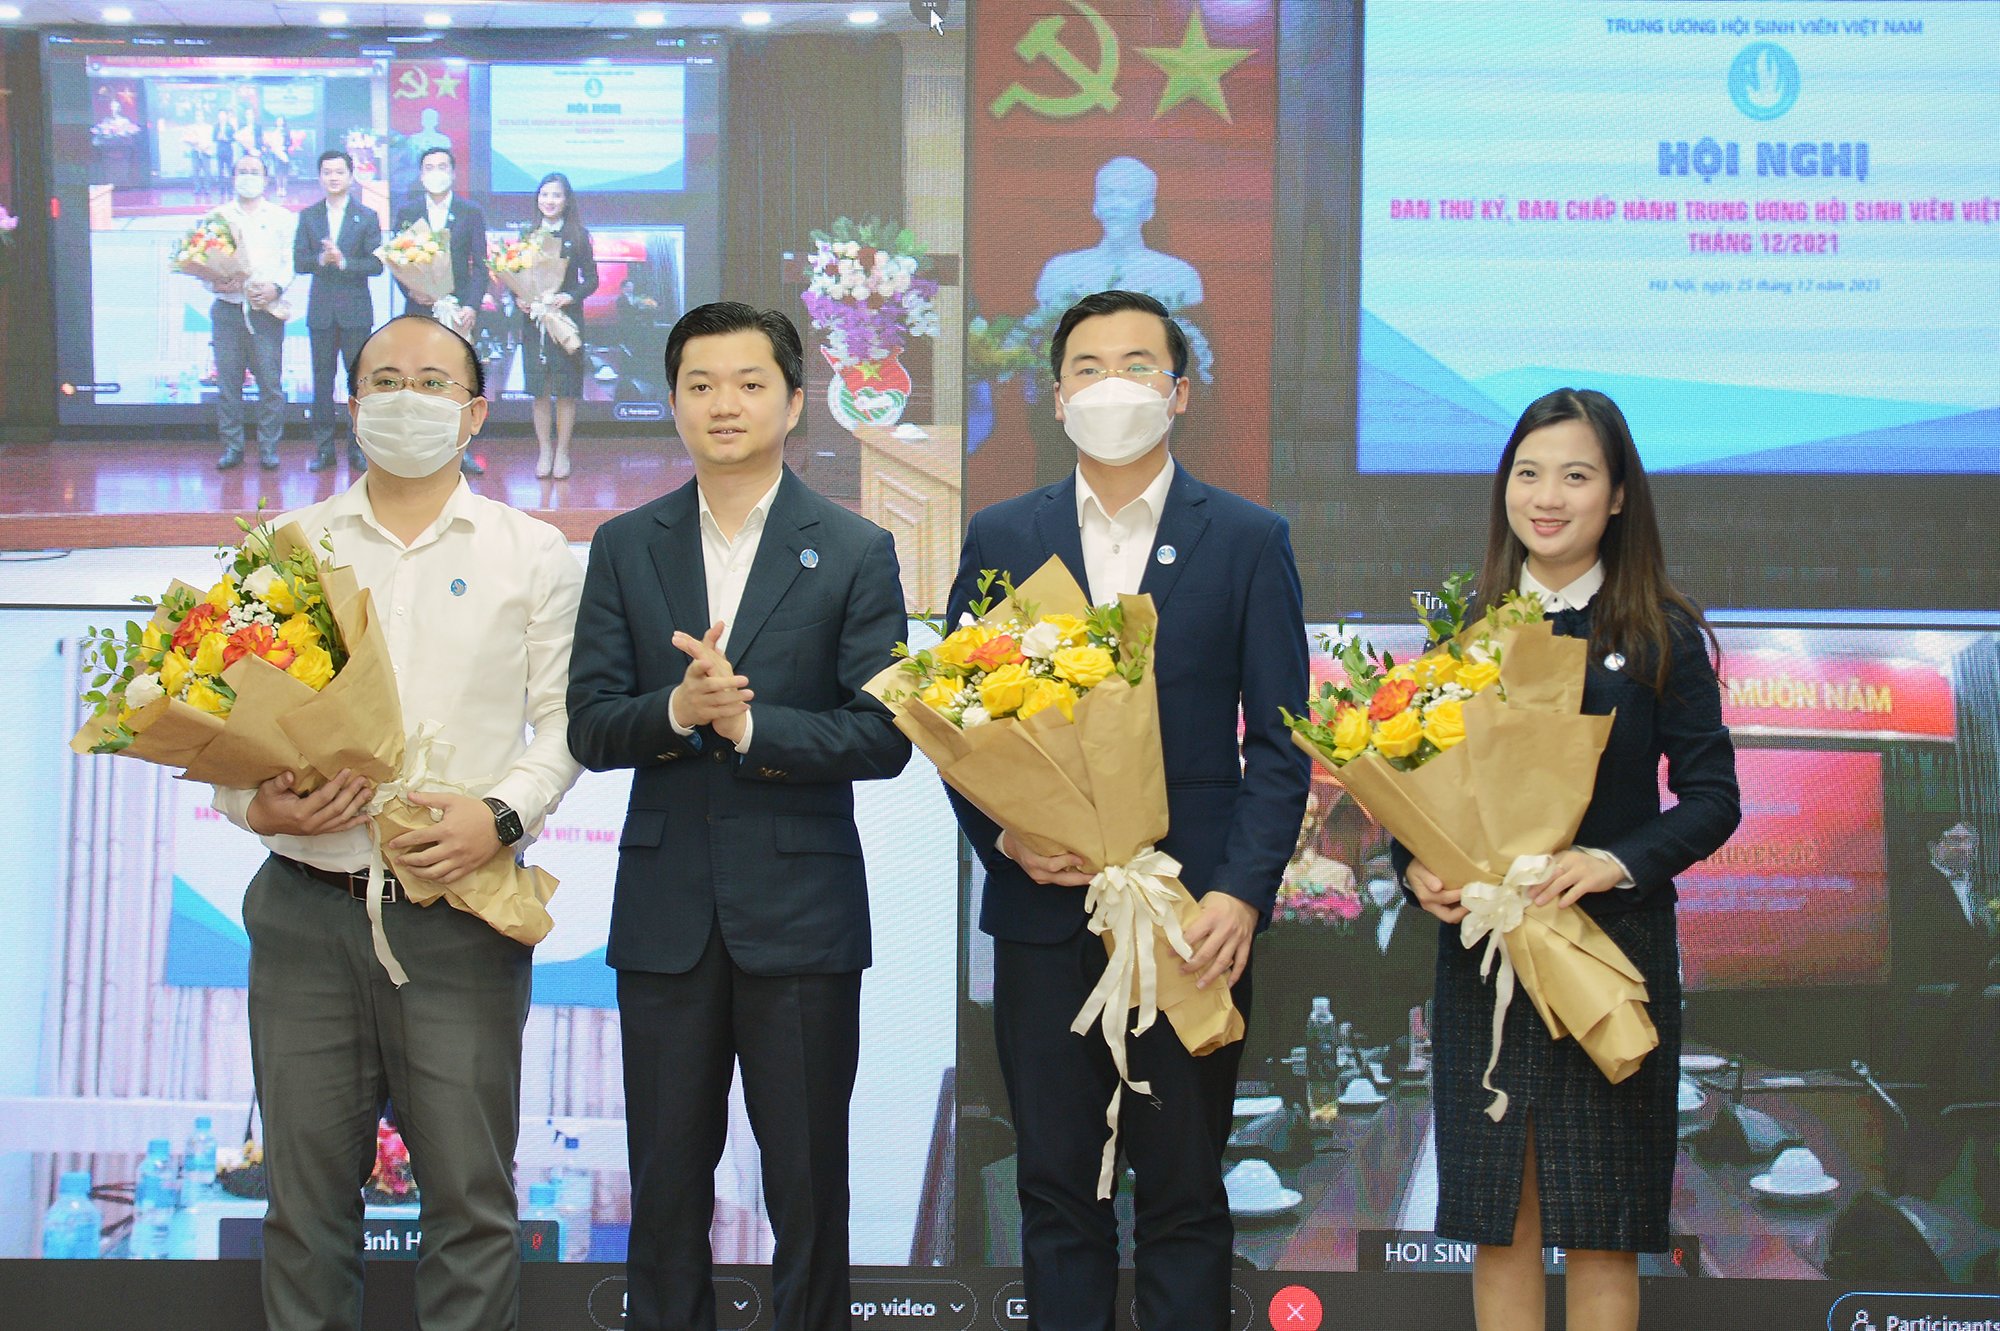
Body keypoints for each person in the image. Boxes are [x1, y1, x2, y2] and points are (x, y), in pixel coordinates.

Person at [943, 289, 1310, 1331]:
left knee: (1184, 1191)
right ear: (1057, 397)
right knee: (1057, 1188)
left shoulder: (1246, 539)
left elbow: (1279, 742)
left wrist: (1240, 893)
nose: (1114, 386)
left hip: (1191, 921)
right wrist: (1003, 836)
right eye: (1088, 367)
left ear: (1179, 392)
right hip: (1043, 912)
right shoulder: (1002, 533)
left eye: (1138, 365)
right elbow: (954, 720)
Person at [209, 313, 584, 1331]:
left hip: (458, 912)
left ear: (475, 412)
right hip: (304, 910)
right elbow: (224, 726)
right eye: (383, 380)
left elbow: (565, 724)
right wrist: (254, 803)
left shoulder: (532, 552)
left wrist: (499, 817)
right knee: (303, 1208)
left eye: (430, 382)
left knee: (470, 1204)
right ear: (353, 403)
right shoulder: (289, 547)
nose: (404, 398)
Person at [565, 301, 911, 1331]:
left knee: (807, 1181)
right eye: (701, 384)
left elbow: (882, 736)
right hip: (665, 914)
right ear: (673, 402)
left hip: (803, 914)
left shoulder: (853, 547)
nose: (725, 403)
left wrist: (751, 725)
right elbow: (590, 721)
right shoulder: (625, 544)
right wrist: (677, 711)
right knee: (665, 1182)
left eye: (751, 383)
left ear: (795, 402)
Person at [1398, 388, 1741, 1331]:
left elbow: (1713, 799)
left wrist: (1612, 861)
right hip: (1486, 957)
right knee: (1499, 1221)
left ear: (1618, 495)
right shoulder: (1463, 628)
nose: (1547, 497)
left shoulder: (1660, 630)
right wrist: (1413, 865)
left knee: (1603, 1227)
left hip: (1611, 952)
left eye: (1576, 475)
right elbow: (1417, 782)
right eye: (1529, 473)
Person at [393, 144, 489, 475]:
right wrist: (412, 289)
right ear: (421, 175)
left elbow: (480, 267)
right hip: (419, 309)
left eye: (442, 167)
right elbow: (397, 261)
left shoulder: (470, 212)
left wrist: (472, 305)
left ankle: (460, 450)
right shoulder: (407, 211)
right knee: (419, 381)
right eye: (429, 167)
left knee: (457, 382)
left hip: (457, 311)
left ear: (453, 173)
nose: (436, 173)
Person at [294, 148, 382, 474]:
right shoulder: (309, 216)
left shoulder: (367, 216)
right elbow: (299, 262)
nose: (333, 177)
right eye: (327, 172)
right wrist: (321, 259)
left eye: (339, 172)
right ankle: (324, 450)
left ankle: (358, 449)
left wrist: (343, 261)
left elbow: (375, 265)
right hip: (321, 313)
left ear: (350, 176)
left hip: (356, 312)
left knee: (358, 383)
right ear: (320, 177)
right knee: (322, 381)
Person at [210, 152, 297, 471]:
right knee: (228, 384)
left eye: (254, 172)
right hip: (228, 310)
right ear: (233, 177)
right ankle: (232, 446)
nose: (248, 177)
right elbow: (203, 261)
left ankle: (268, 447)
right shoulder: (217, 216)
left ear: (266, 179)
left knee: (270, 384)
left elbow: (290, 261)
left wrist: (277, 287)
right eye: (242, 171)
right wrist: (217, 283)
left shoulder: (282, 217)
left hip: (266, 311)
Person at [520, 171, 599, 480]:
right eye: (544, 194)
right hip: (534, 322)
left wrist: (569, 296)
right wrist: (520, 298)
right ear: (537, 198)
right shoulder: (527, 234)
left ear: (566, 200)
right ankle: (544, 452)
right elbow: (514, 274)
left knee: (565, 391)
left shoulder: (578, 234)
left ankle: (563, 451)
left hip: (565, 321)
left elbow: (591, 280)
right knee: (539, 391)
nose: (549, 200)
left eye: (556, 195)